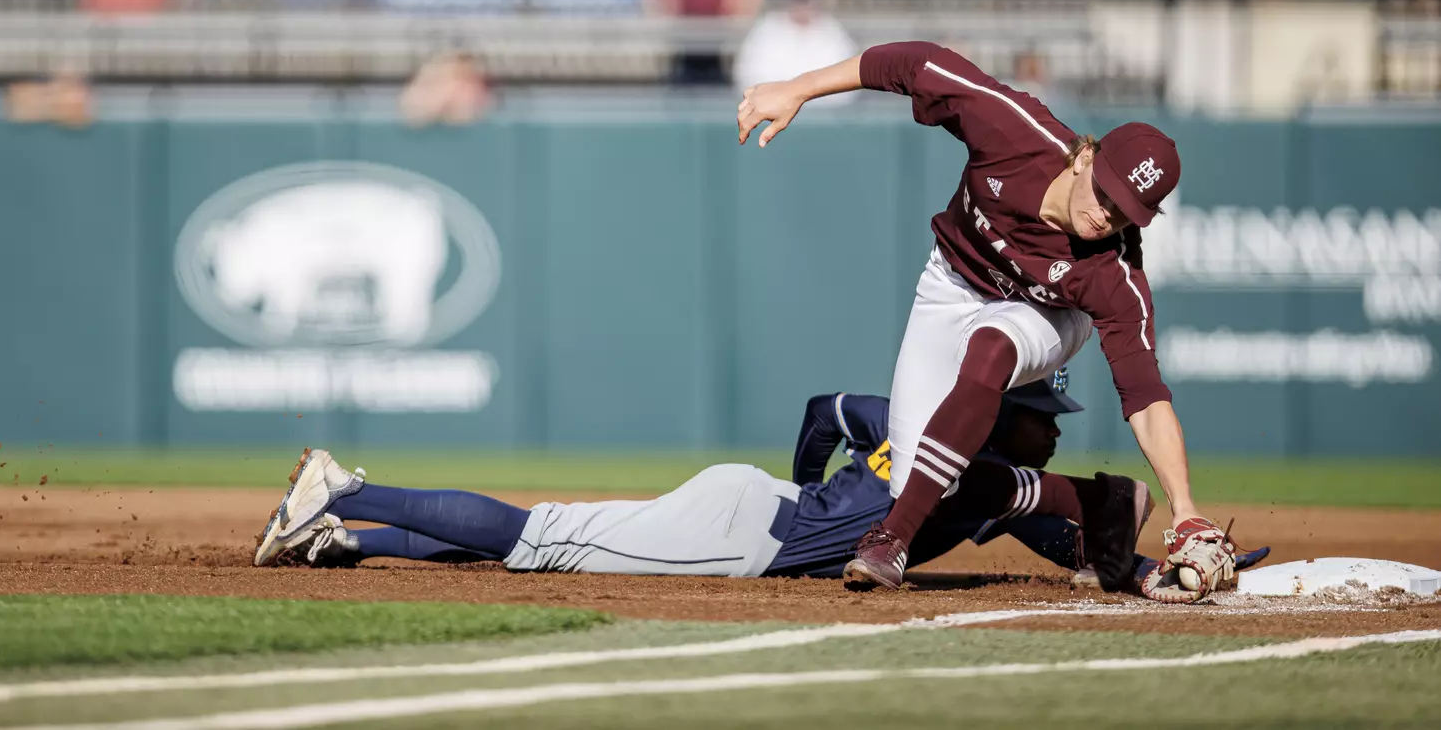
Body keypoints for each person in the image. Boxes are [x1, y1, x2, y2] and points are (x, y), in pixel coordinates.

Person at [735, 41, 1238, 603]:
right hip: (949, 286)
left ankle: (890, 544)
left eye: (1125, 210)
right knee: (924, 487)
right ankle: (1102, 505)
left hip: (1048, 317)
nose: (1105, 215)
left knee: (991, 346)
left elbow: (1145, 396)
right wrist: (798, 87)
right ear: (1086, 155)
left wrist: (1187, 509)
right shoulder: (1012, 130)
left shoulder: (1112, 272)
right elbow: (910, 63)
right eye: (1106, 193)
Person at [252, 377, 1267, 586]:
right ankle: (339, 494)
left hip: (757, 505)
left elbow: (828, 408)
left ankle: (344, 538)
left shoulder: (922, 421)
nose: (1051, 436)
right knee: (541, 533)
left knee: (544, 534)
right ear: (1011, 418)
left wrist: (804, 490)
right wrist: (1160, 555)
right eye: (1045, 419)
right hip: (754, 535)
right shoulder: (985, 470)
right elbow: (1078, 511)